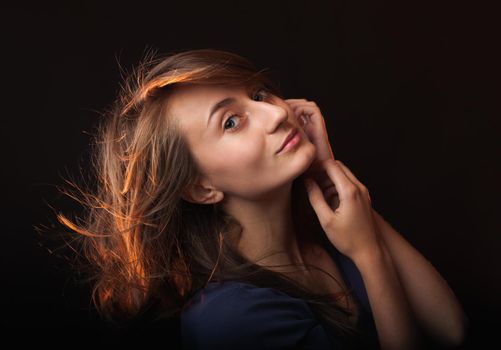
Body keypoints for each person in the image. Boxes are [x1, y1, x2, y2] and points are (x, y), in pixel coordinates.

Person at [54, 48, 469, 349]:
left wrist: (328, 172)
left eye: (258, 95)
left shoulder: (329, 240)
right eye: (231, 122)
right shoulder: (231, 319)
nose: (276, 114)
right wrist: (369, 256)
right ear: (201, 188)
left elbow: (452, 329)